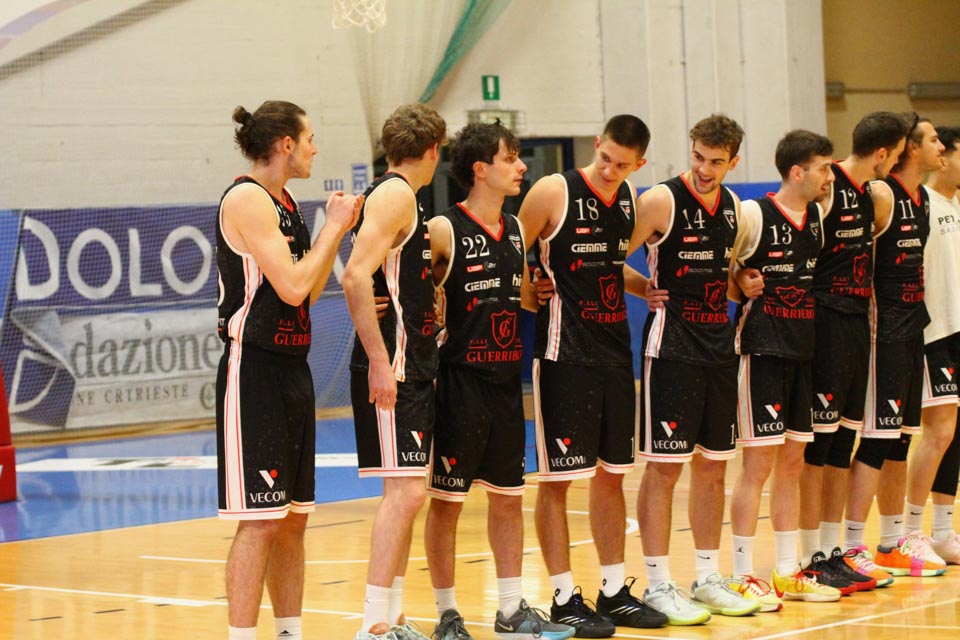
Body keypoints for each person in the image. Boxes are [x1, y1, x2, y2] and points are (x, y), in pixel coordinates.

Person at [216, 100, 363, 640]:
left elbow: (309, 289)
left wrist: (333, 235)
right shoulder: (247, 199)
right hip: (252, 372)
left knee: (294, 518)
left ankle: (289, 633)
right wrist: (334, 227)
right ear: (285, 144)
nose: (315, 149)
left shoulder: (287, 203)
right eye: (310, 139)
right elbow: (295, 286)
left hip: (293, 368)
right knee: (259, 520)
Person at [424, 121, 575, 640]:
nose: (521, 167)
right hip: (458, 385)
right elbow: (402, 283)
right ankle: (447, 613)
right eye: (510, 158)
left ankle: (510, 609)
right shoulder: (444, 229)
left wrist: (538, 292)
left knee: (509, 498)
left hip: (507, 385)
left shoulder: (514, 229)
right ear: (480, 169)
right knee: (447, 504)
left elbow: (519, 297)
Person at [517, 115, 667, 637]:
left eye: (621, 165)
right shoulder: (552, 191)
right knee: (557, 481)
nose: (609, 170)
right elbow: (506, 253)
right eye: (605, 158)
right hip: (563, 355)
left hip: (613, 354)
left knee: (612, 475)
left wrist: (644, 288)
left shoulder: (629, 198)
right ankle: (563, 598)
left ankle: (613, 591)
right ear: (597, 145)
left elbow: (607, 265)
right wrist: (528, 292)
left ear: (638, 164)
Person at [632, 114, 766, 624]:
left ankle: (707, 577)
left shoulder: (734, 209)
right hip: (671, 349)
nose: (705, 169)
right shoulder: (660, 201)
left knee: (713, 467)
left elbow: (723, 273)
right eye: (698, 157)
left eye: (716, 161)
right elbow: (607, 256)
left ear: (734, 161)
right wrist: (642, 288)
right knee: (664, 469)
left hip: (719, 348)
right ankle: (657, 583)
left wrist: (742, 283)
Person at [342, 103, 447, 640]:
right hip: (395, 367)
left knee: (410, 494)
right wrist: (381, 363)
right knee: (404, 494)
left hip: (414, 362)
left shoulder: (403, 197)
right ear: (433, 150)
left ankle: (395, 617)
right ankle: (373, 625)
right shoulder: (396, 194)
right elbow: (354, 275)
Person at [729, 130, 845, 603]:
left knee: (793, 463)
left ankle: (785, 570)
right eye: (823, 167)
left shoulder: (816, 216)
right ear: (797, 172)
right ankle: (741, 573)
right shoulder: (754, 214)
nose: (829, 175)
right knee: (757, 465)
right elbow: (722, 265)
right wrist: (739, 279)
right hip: (762, 350)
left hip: (803, 351)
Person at [796, 112, 907, 589]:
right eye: (896, 155)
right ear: (882, 153)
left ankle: (830, 550)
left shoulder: (871, 196)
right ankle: (808, 556)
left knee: (842, 444)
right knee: (817, 447)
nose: (896, 163)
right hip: (823, 325)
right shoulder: (826, 188)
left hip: (857, 325)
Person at [841, 117, 946, 577]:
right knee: (875, 440)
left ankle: (891, 541)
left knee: (901, 440)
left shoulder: (923, 199)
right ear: (910, 149)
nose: (941, 145)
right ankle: (850, 545)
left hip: (911, 330)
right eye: (933, 139)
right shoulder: (882, 195)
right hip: (880, 334)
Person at [904, 126, 960, 564]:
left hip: (958, 328)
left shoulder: (956, 204)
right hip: (932, 330)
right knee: (937, 431)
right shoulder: (920, 203)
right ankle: (909, 531)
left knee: (953, 433)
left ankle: (942, 531)